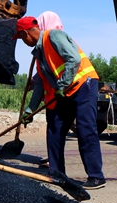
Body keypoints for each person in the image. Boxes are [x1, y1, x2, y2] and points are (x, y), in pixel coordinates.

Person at [15, 16, 106, 190]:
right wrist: (29, 110)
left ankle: (96, 177)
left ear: (26, 33)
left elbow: (73, 59)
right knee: (54, 128)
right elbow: (41, 84)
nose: (22, 41)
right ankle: (57, 173)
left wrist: (62, 85)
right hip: (64, 92)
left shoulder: (54, 36)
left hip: (83, 85)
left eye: (21, 38)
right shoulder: (39, 54)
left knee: (86, 130)